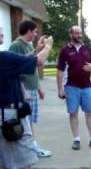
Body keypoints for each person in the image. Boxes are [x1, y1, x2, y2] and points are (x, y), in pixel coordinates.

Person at [0, 27, 53, 169]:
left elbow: (19, 62)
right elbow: (39, 61)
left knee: (5, 160)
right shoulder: (4, 57)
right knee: (24, 163)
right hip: (9, 116)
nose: (2, 32)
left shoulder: (6, 59)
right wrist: (48, 46)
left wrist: (36, 49)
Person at [56, 26, 91, 150]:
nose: (79, 35)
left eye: (80, 33)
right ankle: (76, 139)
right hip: (71, 87)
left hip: (87, 86)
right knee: (73, 113)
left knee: (90, 113)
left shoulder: (86, 49)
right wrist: (60, 89)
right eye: (76, 33)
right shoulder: (65, 50)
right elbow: (60, 71)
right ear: (71, 34)